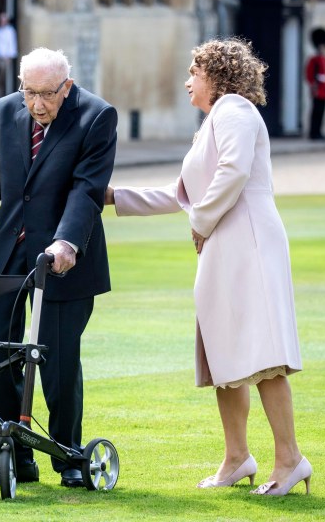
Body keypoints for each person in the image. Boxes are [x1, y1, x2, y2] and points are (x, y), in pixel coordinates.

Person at [105, 38, 312, 496]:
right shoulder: (215, 121)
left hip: (248, 243)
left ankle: (290, 459)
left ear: (216, 77)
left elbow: (234, 172)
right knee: (226, 356)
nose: (187, 83)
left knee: (263, 356)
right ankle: (237, 457)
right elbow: (182, 193)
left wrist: (201, 221)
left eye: (193, 74)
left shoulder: (235, 109)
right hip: (226, 244)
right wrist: (114, 196)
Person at [0, 47, 117, 488]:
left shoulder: (96, 116)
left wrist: (66, 241)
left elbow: (87, 190)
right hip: (7, 257)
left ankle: (69, 459)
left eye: (46, 95)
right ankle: (10, 458)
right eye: (28, 92)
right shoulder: (4, 111)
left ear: (66, 87)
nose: (36, 104)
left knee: (56, 362)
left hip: (63, 260)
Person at [305, 27, 325, 141]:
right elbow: (309, 74)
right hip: (317, 89)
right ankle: (313, 133)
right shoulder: (313, 59)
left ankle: (319, 132)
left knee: (322, 112)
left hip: (324, 89)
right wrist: (313, 84)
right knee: (316, 112)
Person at [0, 13, 18, 98]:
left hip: (7, 57)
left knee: (7, 77)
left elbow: (11, 43)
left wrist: (9, 56)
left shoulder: (10, 30)